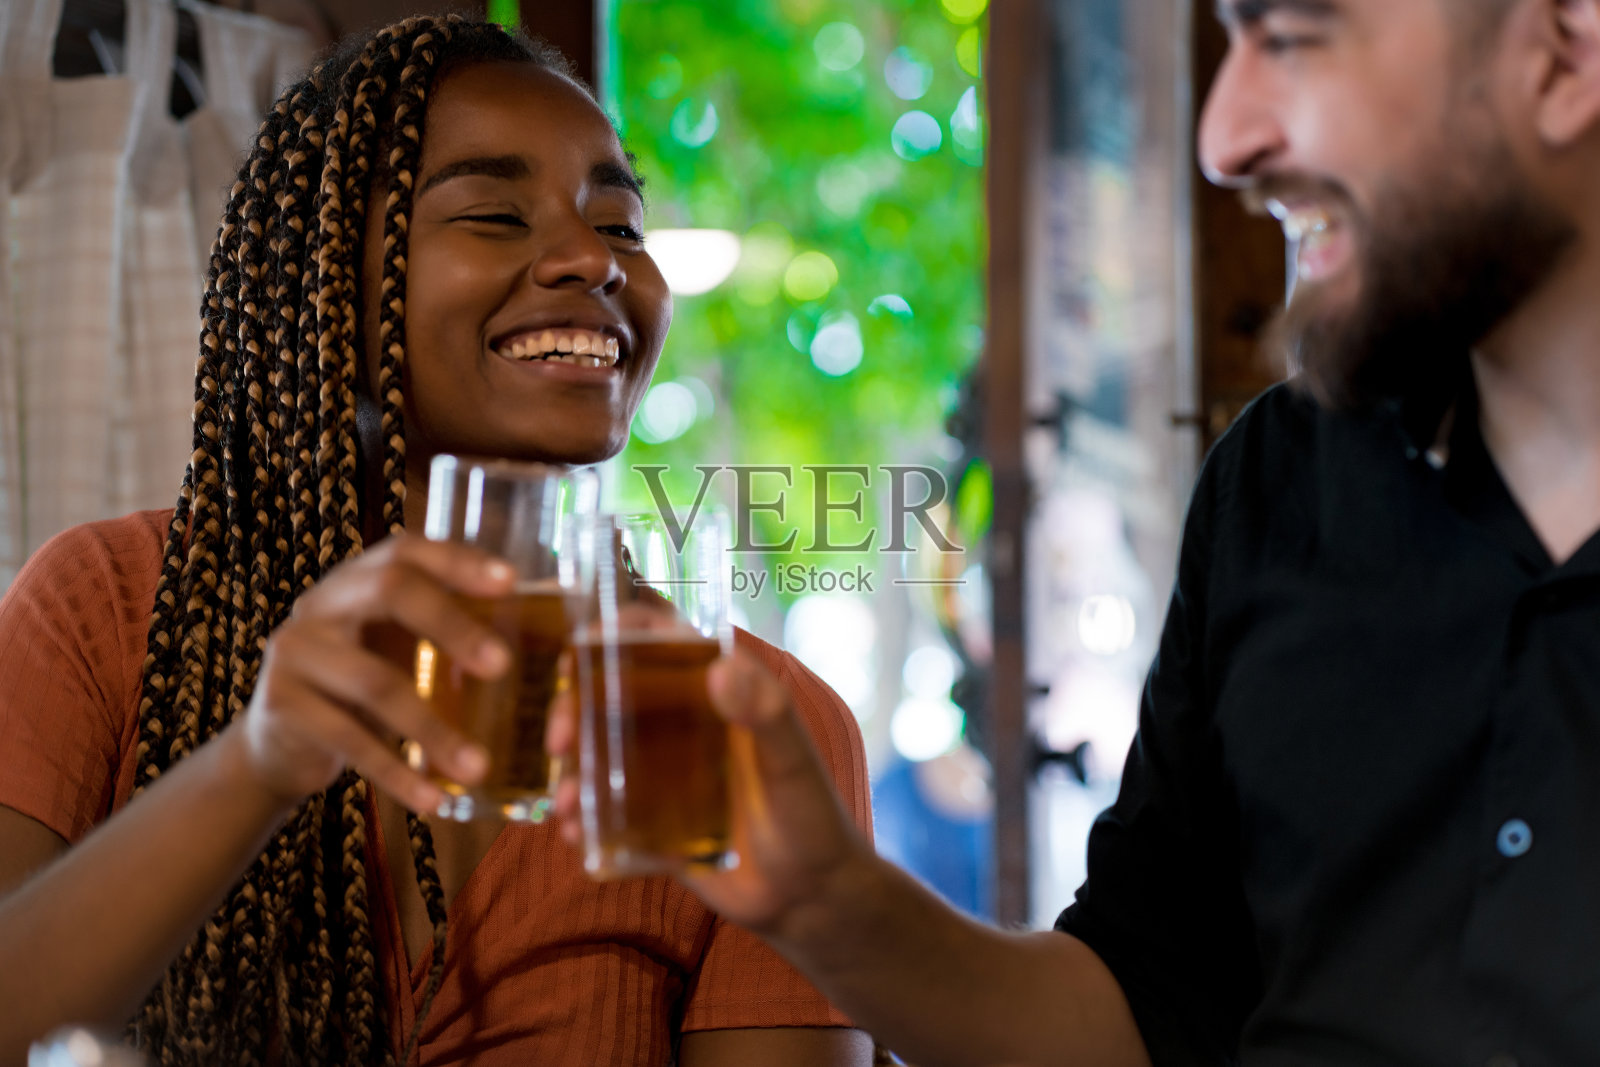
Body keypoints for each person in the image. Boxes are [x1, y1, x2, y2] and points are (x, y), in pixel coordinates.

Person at [551, 0, 1600, 1063]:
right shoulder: (1280, 482)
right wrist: (826, 896)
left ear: (1566, 49)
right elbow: (1135, 1015)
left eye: (1289, 37)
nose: (1223, 139)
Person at [0, 15, 874, 1066]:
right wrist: (256, 764)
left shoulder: (757, 721)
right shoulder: (108, 607)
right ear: (323, 279)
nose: (590, 258)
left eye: (622, 224)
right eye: (497, 215)